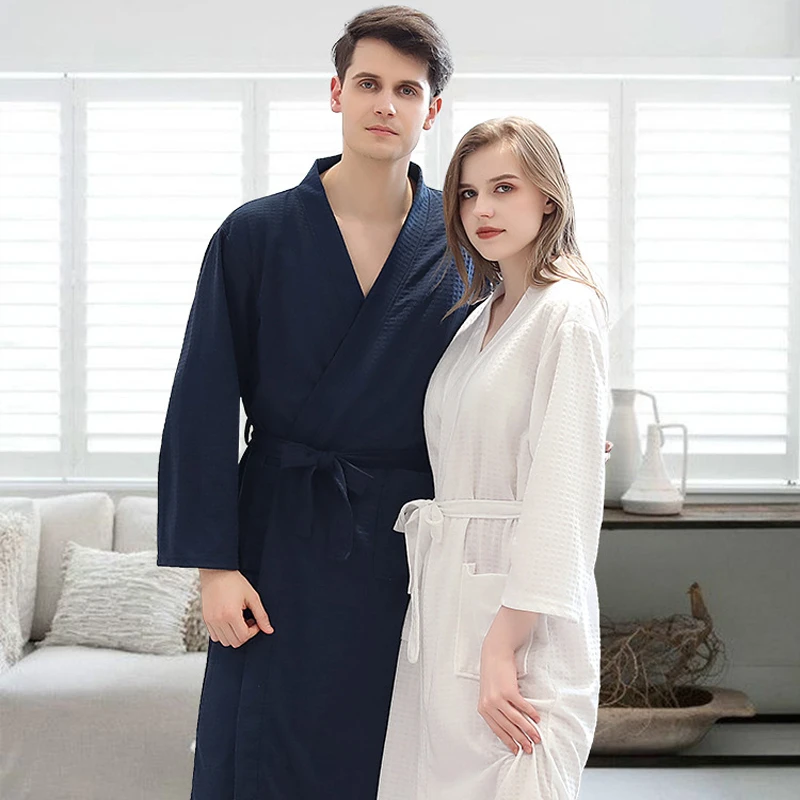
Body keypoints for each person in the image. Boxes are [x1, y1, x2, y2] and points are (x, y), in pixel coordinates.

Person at [156, 7, 468, 799]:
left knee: (384, 763)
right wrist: (214, 568)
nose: (385, 104)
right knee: (257, 758)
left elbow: (500, 372)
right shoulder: (253, 234)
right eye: (368, 83)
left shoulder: (463, 244)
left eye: (407, 90)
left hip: (405, 554)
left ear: (432, 110)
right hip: (278, 545)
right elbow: (200, 403)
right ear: (336, 93)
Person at [377, 117, 610, 800]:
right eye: (468, 193)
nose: (482, 209)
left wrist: (503, 644)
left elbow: (563, 495)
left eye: (504, 188)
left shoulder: (568, 311)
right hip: (446, 603)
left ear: (548, 198)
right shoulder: (480, 316)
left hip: (522, 622)